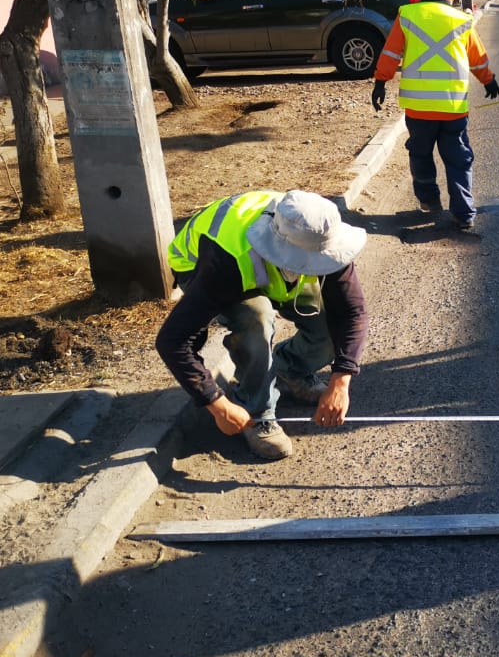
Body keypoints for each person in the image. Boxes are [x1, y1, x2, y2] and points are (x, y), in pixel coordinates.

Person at [156, 189, 370, 459]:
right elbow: (173, 341)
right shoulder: (227, 260)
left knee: (328, 321)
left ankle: (288, 369)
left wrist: (341, 381)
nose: (322, 265)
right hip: (199, 265)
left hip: (269, 265)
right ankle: (255, 412)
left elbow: (352, 312)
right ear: (283, 251)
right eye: (313, 262)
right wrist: (217, 404)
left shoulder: (319, 235)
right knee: (255, 319)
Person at [371, 0, 499, 230]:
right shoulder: (463, 20)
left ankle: (429, 202)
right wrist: (488, 81)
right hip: (453, 109)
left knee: (420, 155)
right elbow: (478, 60)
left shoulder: (406, 15)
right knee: (458, 159)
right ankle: (464, 213)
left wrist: (380, 82)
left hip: (418, 111)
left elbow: (390, 55)